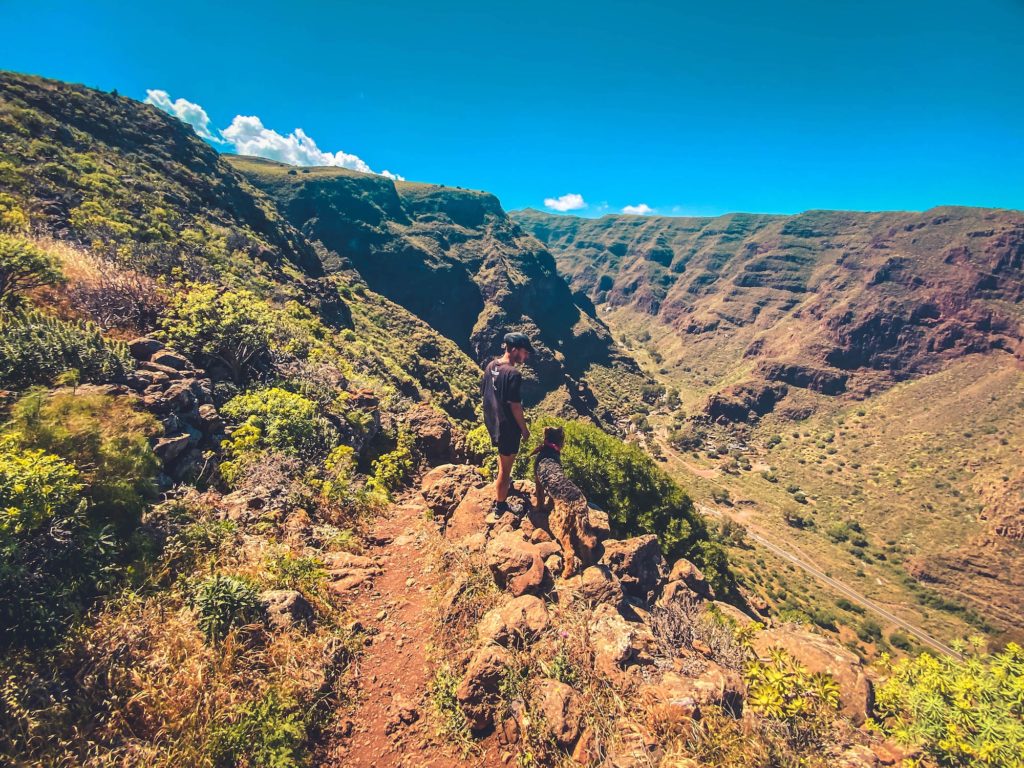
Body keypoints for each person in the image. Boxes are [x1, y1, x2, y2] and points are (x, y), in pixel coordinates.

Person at [481, 332, 532, 510]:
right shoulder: (513, 374)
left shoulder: (491, 366)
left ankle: (502, 484)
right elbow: (515, 406)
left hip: (493, 423)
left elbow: (486, 393)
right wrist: (524, 430)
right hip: (508, 427)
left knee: (502, 459)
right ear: (515, 350)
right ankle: (500, 505)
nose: (526, 357)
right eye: (525, 352)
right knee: (506, 469)